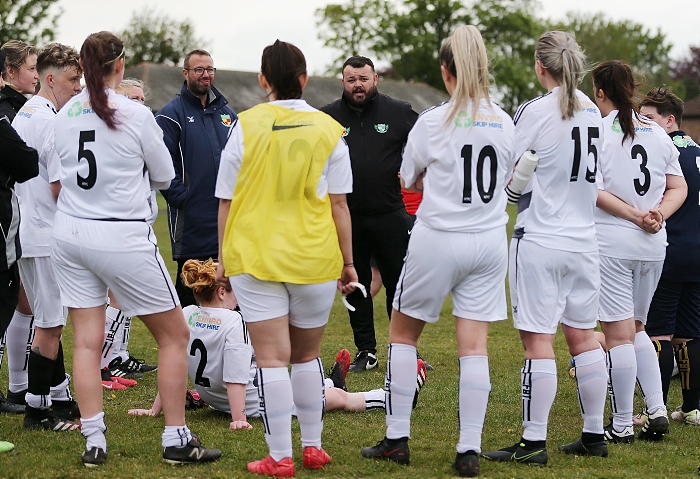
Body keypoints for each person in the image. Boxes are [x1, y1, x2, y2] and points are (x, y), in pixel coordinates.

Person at [50, 31, 221, 467]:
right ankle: (176, 438)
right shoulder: (133, 112)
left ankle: (94, 440)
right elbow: (165, 176)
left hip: (70, 233)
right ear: (119, 66)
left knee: (86, 341)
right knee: (174, 335)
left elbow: (56, 179)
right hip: (121, 235)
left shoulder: (65, 110)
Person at [359, 25, 516, 477]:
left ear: (446, 72)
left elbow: (407, 179)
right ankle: (468, 449)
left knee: (404, 336)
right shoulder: (505, 121)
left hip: (438, 236)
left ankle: (397, 438)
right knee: (475, 348)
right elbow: (509, 179)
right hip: (488, 241)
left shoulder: (433, 120)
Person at [216, 39, 357, 478]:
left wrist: (222, 260)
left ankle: (280, 457)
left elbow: (225, 200)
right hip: (314, 256)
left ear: (263, 80)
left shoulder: (244, 124)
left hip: (255, 254)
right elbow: (339, 205)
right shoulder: (330, 129)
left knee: (272, 359)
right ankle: (312, 447)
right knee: (307, 356)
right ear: (304, 78)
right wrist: (348, 262)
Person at [481, 31, 609, 464]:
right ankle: (595, 434)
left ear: (541, 66)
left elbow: (509, 174)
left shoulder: (534, 110)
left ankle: (533, 442)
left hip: (540, 239)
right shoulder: (594, 111)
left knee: (538, 342)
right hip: (585, 241)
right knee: (584, 338)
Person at [128, 260, 426, 422]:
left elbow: (176, 364)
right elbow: (235, 378)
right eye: (234, 290)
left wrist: (157, 409)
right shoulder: (235, 322)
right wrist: (239, 418)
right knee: (337, 401)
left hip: (212, 399)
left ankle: (329, 381)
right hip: (254, 404)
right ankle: (395, 397)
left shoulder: (188, 314)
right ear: (221, 292)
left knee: (284, 376)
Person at [590, 62, 686, 444]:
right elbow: (678, 188)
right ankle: (658, 408)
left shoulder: (596, 131)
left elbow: (591, 191)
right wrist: (657, 214)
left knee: (618, 334)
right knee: (639, 328)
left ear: (600, 93)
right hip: (653, 245)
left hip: (613, 242)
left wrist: (635, 216)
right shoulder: (658, 132)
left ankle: (623, 423)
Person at [321, 56, 418, 372]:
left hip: (391, 213)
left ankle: (405, 349)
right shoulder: (328, 118)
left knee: (399, 285)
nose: (357, 85)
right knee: (357, 284)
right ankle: (367, 351)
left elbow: (428, 145)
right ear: (343, 82)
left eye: (363, 78)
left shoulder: (399, 112)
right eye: (351, 79)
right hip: (348, 216)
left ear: (375, 79)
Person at [11, 42, 85, 430]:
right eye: (73, 79)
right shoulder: (50, 120)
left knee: (46, 316)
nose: (78, 87)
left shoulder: (29, 111)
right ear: (51, 78)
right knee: (51, 322)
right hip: (44, 231)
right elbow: (60, 186)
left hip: (28, 229)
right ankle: (37, 411)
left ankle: (57, 397)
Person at [155, 49, 236, 308]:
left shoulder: (227, 114)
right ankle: (187, 348)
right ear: (186, 73)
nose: (205, 75)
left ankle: (232, 347)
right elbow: (161, 168)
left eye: (210, 69)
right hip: (191, 226)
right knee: (192, 297)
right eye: (199, 69)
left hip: (226, 222)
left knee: (229, 296)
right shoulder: (170, 115)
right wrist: (184, 198)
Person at [641, 87, 700, 425]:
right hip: (696, 255)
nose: (645, 125)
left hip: (669, 253)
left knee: (658, 333)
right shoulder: (697, 151)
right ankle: (692, 408)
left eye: (650, 118)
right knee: (689, 333)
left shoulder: (665, 155)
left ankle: (657, 409)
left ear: (670, 119)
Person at [98, 78, 158, 387]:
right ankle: (105, 361)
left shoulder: (141, 131)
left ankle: (117, 355)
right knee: (117, 297)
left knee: (126, 298)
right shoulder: (116, 134)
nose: (140, 105)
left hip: (140, 224)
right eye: (133, 99)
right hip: (121, 227)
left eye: (142, 99)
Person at [0, 49, 40, 452]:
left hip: (18, 217)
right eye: (31, 69)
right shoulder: (10, 111)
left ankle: (16, 388)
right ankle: (21, 389)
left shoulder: (22, 108)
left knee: (19, 301)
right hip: (13, 220)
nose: (36, 75)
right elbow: (27, 161)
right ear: (9, 72)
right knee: (16, 299)